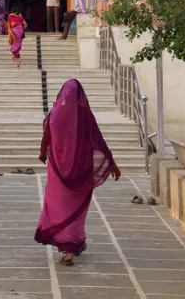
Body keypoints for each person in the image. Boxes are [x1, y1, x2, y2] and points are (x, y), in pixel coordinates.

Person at [35, 79, 121, 265]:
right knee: (77, 209)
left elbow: (46, 136)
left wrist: (43, 153)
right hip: (81, 169)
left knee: (59, 205)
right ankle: (73, 243)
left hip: (58, 170)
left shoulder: (55, 114)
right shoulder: (84, 116)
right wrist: (111, 163)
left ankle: (69, 248)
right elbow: (97, 140)